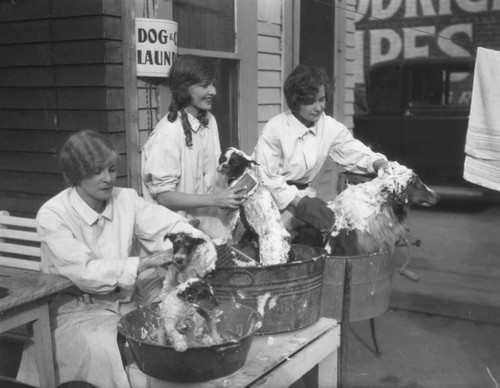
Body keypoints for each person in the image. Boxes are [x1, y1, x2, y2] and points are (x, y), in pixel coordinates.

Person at [16, 130, 207, 388]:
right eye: (96, 172)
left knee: (181, 322)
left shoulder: (125, 198)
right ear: (75, 175)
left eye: (111, 169)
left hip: (124, 300)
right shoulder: (53, 214)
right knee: (108, 347)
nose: (107, 179)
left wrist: (198, 242)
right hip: (74, 310)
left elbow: (167, 224)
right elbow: (85, 273)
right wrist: (144, 263)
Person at [253, 64, 388, 240]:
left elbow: (353, 150)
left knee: (318, 241)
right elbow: (266, 177)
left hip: (304, 198)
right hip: (270, 200)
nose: (318, 107)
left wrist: (380, 164)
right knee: (275, 247)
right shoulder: (275, 129)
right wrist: (300, 203)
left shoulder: (328, 126)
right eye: (310, 101)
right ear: (295, 101)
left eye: (322, 99)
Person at [142, 55, 246, 240]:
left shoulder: (209, 121)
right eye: (205, 85)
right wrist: (216, 199)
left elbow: (209, 176)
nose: (213, 91)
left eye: (213, 84)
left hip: (208, 228)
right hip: (176, 235)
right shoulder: (169, 132)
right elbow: (164, 196)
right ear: (183, 88)